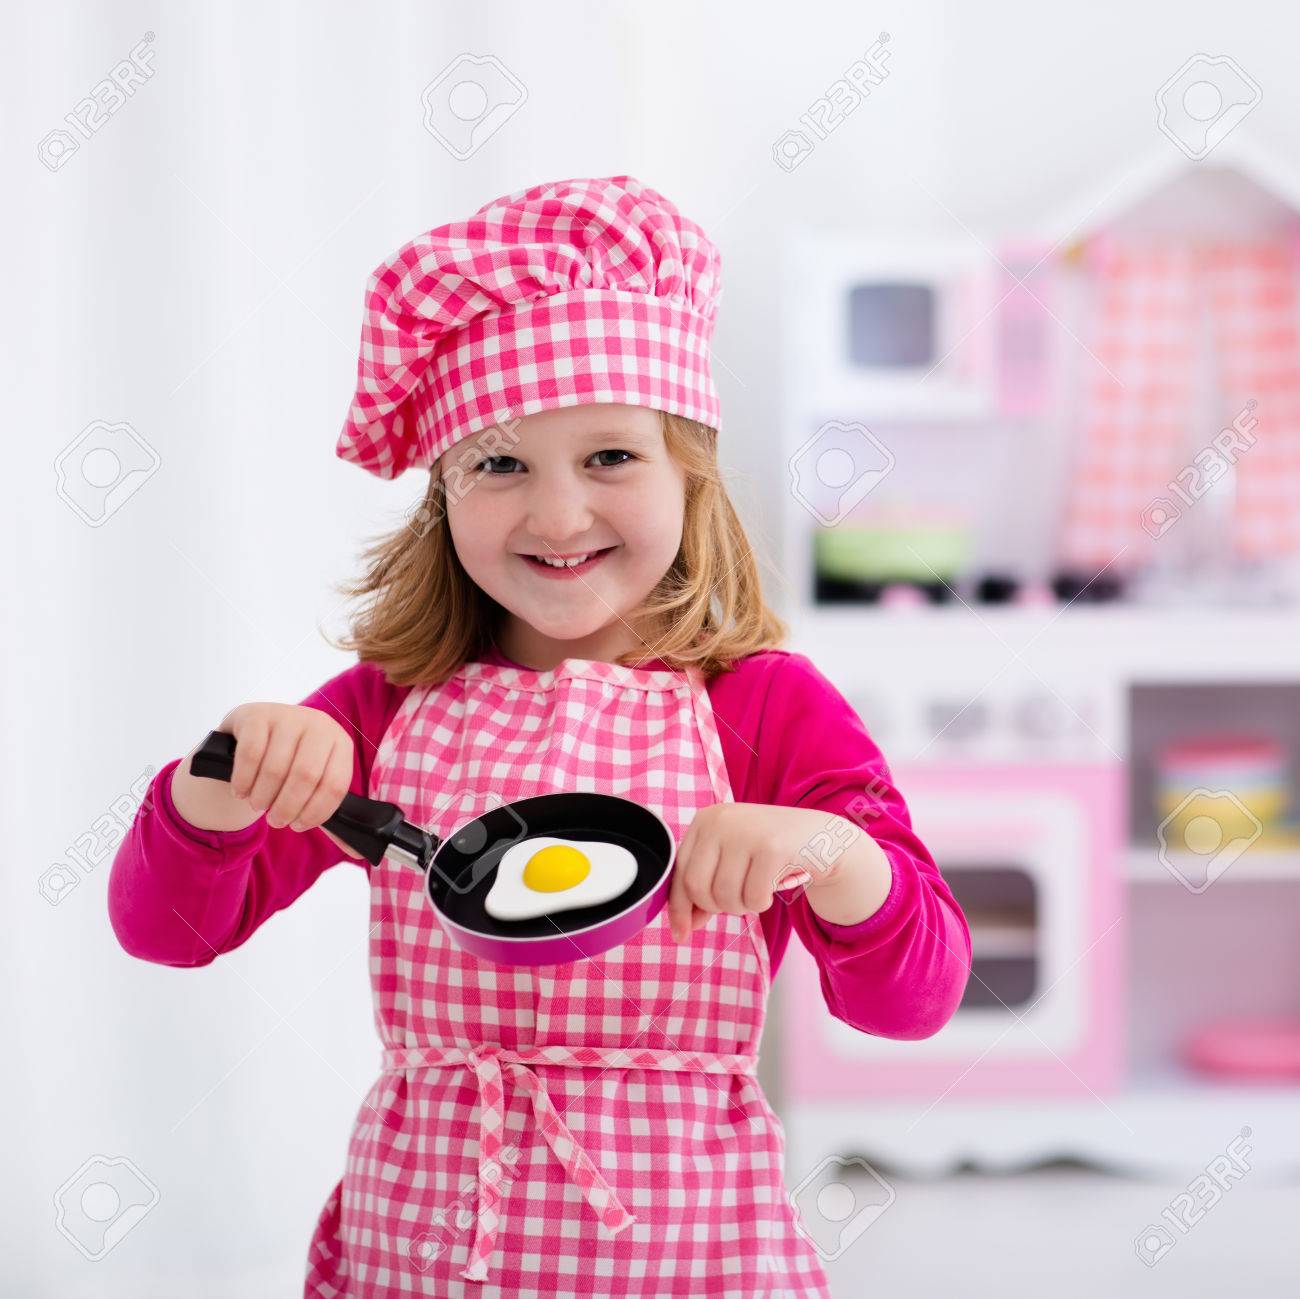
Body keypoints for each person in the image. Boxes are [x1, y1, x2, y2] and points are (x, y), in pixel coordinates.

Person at [108, 175, 971, 1297]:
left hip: (685, 1256)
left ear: (689, 477)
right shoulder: (383, 709)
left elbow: (913, 1000)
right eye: (501, 463)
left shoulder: (762, 707)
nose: (557, 515)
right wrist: (218, 784)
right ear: (443, 496)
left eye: (610, 456)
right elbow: (166, 929)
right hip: (419, 1247)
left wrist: (831, 855)